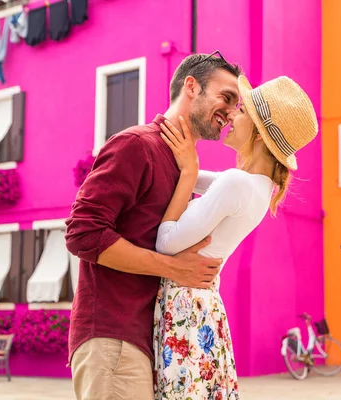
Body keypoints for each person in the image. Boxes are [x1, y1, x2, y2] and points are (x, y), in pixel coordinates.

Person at [64, 51, 242, 400]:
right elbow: (82, 233)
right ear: (192, 87)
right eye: (227, 97)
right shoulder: (137, 146)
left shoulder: (181, 166)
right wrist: (176, 269)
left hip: (147, 341)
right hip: (114, 339)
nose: (232, 112)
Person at [152, 75, 319, 399]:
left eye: (241, 111)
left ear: (259, 134)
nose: (231, 115)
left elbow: (165, 243)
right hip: (205, 306)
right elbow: (194, 177)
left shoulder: (236, 183)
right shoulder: (258, 187)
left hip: (184, 306)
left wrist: (186, 173)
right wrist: (185, 168)